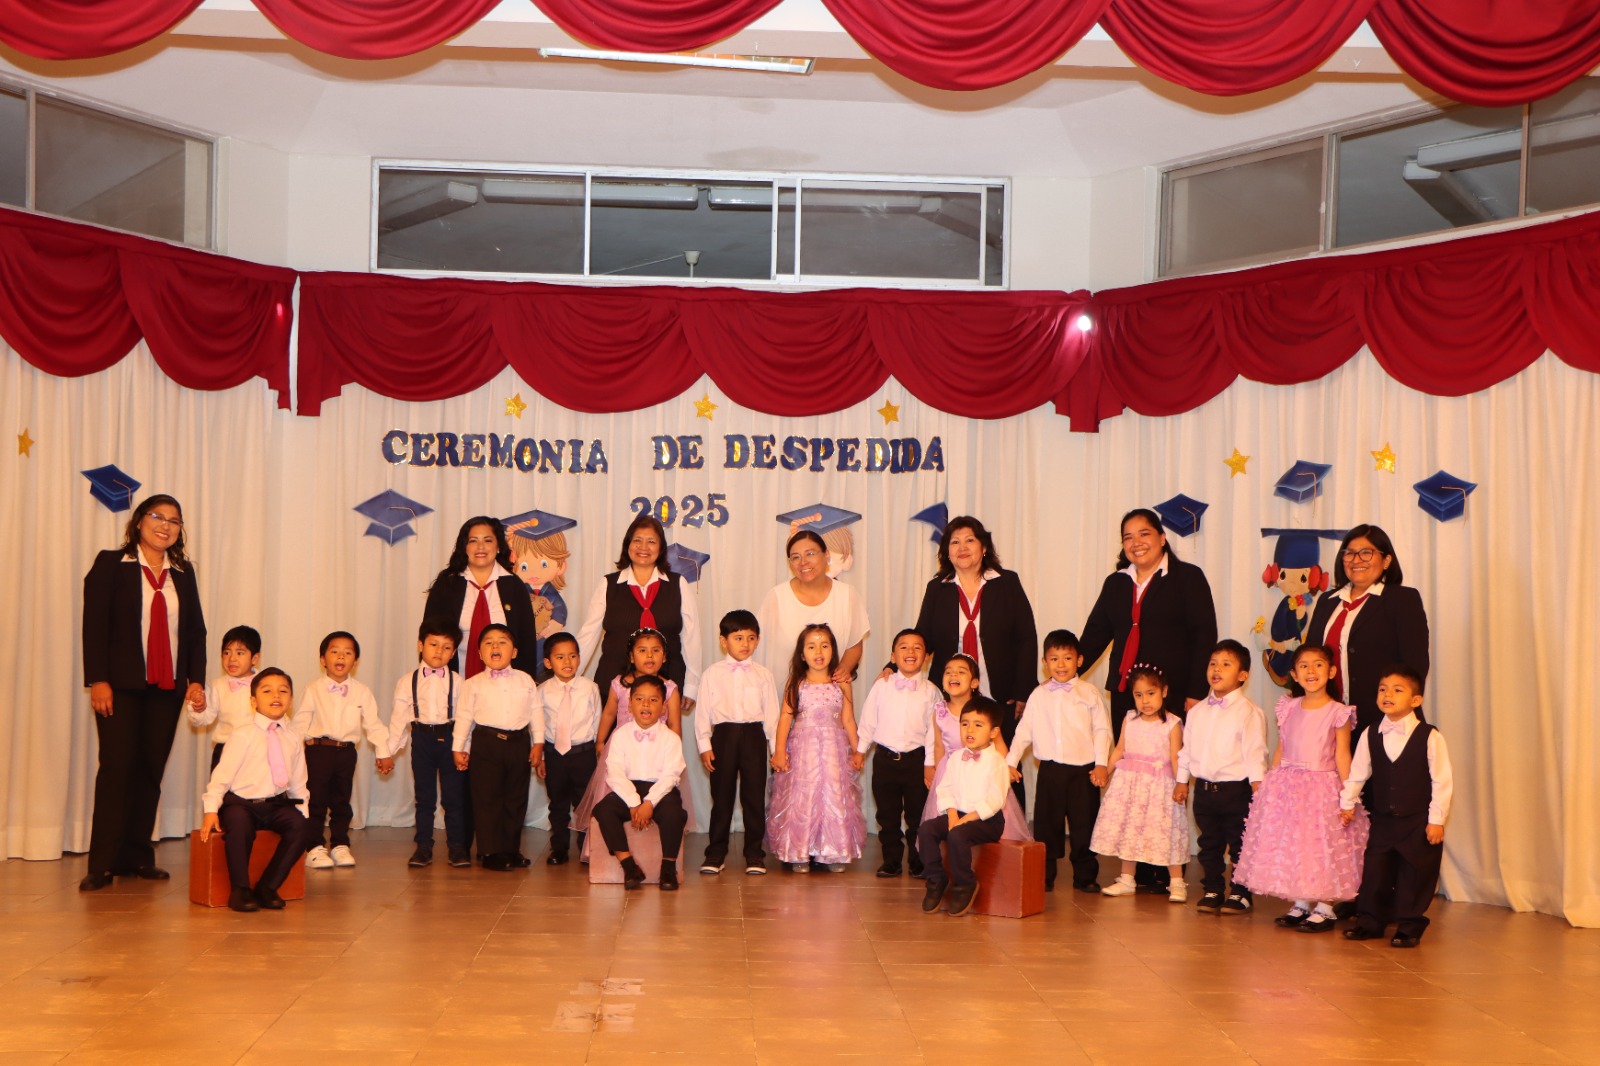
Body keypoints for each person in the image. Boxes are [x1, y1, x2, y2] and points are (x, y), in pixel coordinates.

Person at [1079, 507, 1216, 893]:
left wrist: (1195, 692)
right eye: (1128, 537)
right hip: (1127, 694)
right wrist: (1066, 671)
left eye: (1144, 534)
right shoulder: (1116, 583)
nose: (1136, 543)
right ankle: (1134, 866)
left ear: (1161, 538)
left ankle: (1166, 866)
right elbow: (1095, 634)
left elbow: (1204, 634)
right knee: (1131, 781)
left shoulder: (1187, 578)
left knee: (1167, 779)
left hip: (1172, 696)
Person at [80, 493, 208, 891]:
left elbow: (195, 631)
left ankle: (137, 857)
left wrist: (196, 679)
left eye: (174, 520)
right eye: (157, 516)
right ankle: (102, 863)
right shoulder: (111, 564)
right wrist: (98, 679)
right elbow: (94, 625)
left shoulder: (182, 572)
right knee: (116, 769)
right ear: (139, 521)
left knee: (150, 771)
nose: (165, 525)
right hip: (120, 686)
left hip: (166, 687)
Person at [1234, 643, 1371, 932]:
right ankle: (1301, 902)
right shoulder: (1288, 707)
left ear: (1331, 671)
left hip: (1322, 787)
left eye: (1318, 665)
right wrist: (1271, 783)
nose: (1311, 671)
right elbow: (1281, 747)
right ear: (1294, 675)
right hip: (1288, 785)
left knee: (1322, 845)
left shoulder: (1338, 712)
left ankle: (1325, 906)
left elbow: (1342, 754)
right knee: (1297, 844)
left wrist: (1348, 795)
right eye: (1304, 666)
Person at [1341, 666, 1453, 948]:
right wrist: (1347, 802)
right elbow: (1358, 772)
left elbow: (1442, 780)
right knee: (1375, 871)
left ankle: (1409, 925)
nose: (1387, 694)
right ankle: (1370, 921)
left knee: (1414, 873)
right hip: (1383, 820)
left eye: (1397, 690)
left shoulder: (1430, 736)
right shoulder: (1370, 733)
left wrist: (1436, 820)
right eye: (1382, 689)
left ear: (1416, 700)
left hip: (1418, 820)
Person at [912, 516, 1038, 752]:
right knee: (952, 761)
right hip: (952, 696)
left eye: (969, 540)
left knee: (1003, 763)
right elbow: (922, 637)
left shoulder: (1007, 582)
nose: (962, 547)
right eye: (955, 542)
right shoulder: (937, 588)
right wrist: (893, 665)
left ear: (984, 547)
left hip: (1001, 693)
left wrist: (1023, 689)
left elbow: (1026, 638)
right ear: (947, 552)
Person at [199, 668, 314, 913]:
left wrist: (303, 811)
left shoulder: (293, 737)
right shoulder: (242, 734)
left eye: (283, 691)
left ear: (291, 699)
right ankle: (240, 890)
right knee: (239, 824)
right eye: (267, 691)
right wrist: (210, 810)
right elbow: (221, 777)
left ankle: (267, 887)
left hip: (275, 804)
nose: (276, 695)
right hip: (241, 804)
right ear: (253, 701)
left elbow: (298, 780)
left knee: (301, 827)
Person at [1304, 524, 1431, 741]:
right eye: (1350, 553)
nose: (1356, 560)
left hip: (1384, 721)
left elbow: (1415, 665)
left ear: (1386, 560)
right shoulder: (1327, 601)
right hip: (1329, 722)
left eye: (1366, 553)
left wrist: (1396, 709)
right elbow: (1310, 657)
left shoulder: (1402, 599)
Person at [1007, 630, 1110, 893]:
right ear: (1045, 662)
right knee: (1046, 824)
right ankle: (1045, 875)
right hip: (1050, 771)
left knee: (1084, 823)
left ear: (1079, 660)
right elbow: (1024, 730)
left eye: (1067, 658)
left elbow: (1102, 730)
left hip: (1083, 771)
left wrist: (1101, 763)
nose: (1061, 665)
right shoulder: (1039, 695)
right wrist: (1010, 762)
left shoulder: (1090, 693)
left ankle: (1085, 875)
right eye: (1054, 659)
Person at [1174, 642, 1268, 915]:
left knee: (1240, 845)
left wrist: (1258, 787)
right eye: (1213, 663)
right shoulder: (1197, 711)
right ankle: (1213, 889)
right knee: (1209, 844)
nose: (1217, 669)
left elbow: (1255, 753)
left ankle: (1241, 892)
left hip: (1236, 791)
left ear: (1242, 675)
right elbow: (1187, 750)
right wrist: (1182, 780)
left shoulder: (1249, 712)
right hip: (1204, 790)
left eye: (1226, 664)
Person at [572, 627, 685, 847]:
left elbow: (674, 724)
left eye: (655, 650)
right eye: (642, 651)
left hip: (656, 749)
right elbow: (609, 713)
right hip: (622, 748)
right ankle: (602, 849)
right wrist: (600, 741)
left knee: (660, 797)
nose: (649, 655)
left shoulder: (670, 688)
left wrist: (674, 750)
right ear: (632, 657)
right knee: (612, 792)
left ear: (664, 656)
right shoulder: (620, 683)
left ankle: (649, 848)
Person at [766, 624, 866, 872]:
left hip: (834, 750)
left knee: (833, 795)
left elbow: (848, 719)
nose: (818, 652)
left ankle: (832, 851)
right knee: (805, 795)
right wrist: (779, 751)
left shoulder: (842, 684)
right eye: (811, 647)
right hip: (804, 751)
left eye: (824, 646)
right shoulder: (797, 683)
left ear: (833, 650)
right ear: (802, 654)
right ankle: (799, 851)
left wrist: (858, 750)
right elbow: (785, 718)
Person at [575, 513, 702, 705]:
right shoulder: (608, 585)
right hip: (614, 688)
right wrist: (569, 678)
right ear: (627, 545)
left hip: (664, 688)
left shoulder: (678, 584)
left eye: (651, 541)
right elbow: (588, 636)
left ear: (661, 548)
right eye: (637, 540)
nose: (643, 547)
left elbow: (691, 638)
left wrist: (692, 686)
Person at [293, 631, 393, 869]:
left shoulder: (362, 691)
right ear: (322, 659)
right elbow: (299, 724)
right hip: (317, 751)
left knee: (341, 800)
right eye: (334, 651)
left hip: (346, 752)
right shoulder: (313, 689)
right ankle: (314, 846)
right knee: (315, 799)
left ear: (355, 661)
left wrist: (383, 752)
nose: (341, 656)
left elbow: (373, 723)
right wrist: (290, 756)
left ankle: (340, 843)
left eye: (348, 653)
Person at [452, 624, 545, 871]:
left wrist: (538, 743)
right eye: (488, 642)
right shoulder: (473, 684)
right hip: (486, 744)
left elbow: (536, 712)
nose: (495, 646)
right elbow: (464, 717)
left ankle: (510, 849)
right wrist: (459, 748)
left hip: (518, 744)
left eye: (502, 642)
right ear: (480, 654)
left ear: (514, 652)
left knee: (515, 799)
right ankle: (490, 851)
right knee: (487, 799)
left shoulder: (526, 680)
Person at [1093, 663, 1190, 902]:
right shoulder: (1130, 719)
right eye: (1138, 695)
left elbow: (1176, 757)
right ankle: (1127, 878)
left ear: (1163, 692)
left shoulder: (1172, 723)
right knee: (1130, 829)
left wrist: (1181, 783)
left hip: (1159, 787)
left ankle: (1176, 882)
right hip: (1130, 786)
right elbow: (1119, 749)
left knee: (1165, 831)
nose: (1145, 700)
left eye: (1150, 693)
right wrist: (1105, 770)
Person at [695, 610, 780, 876]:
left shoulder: (763, 675)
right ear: (724, 641)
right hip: (723, 737)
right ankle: (716, 852)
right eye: (738, 638)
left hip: (754, 737)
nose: (745, 644)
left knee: (754, 797)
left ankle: (754, 853)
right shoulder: (712, 674)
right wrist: (704, 745)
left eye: (751, 638)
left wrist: (775, 750)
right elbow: (702, 713)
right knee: (722, 797)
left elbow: (772, 716)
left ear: (758, 640)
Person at [854, 629, 939, 879]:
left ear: (927, 657)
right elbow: (868, 720)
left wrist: (930, 764)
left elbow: (933, 732)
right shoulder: (882, 686)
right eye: (903, 647)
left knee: (917, 815)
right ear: (893, 656)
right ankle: (891, 860)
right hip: (885, 760)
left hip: (916, 761)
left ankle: (917, 860)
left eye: (917, 647)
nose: (910, 652)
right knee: (887, 815)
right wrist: (860, 751)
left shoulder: (932, 691)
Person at [387, 619, 472, 869]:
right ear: (420, 645)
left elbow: (466, 719)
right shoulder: (407, 681)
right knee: (424, 798)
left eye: (446, 647)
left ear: (453, 652)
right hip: (421, 740)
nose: (439, 651)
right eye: (433, 644)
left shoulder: (459, 681)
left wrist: (463, 749)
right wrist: (387, 752)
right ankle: (423, 847)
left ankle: (457, 847)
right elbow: (398, 720)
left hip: (451, 741)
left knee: (453, 798)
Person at [919, 656, 1031, 844]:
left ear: (974, 683)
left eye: (961, 672)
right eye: (948, 672)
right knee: (947, 818)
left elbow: (999, 743)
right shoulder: (939, 711)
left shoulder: (984, 710)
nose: (953, 675)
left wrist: (1007, 765)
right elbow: (938, 745)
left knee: (987, 811)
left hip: (983, 768)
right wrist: (936, 770)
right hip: (952, 769)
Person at [593, 675, 689, 891]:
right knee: (603, 810)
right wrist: (634, 802)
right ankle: (629, 866)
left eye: (653, 700)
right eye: (639, 699)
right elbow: (614, 772)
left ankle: (668, 868)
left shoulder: (671, 738)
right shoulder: (620, 736)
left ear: (664, 707)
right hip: (628, 789)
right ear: (629, 705)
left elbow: (671, 775)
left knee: (674, 814)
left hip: (661, 791)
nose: (646, 705)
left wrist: (649, 803)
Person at [918, 700, 1010, 917]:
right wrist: (951, 814)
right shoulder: (956, 758)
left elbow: (995, 799)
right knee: (927, 829)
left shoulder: (996, 761)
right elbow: (945, 788)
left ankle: (965, 883)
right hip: (957, 813)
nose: (970, 730)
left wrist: (966, 819)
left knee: (958, 835)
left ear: (993, 732)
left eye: (978, 725)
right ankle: (936, 879)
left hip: (986, 820)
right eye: (965, 724)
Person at [423, 517, 541, 679]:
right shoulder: (446, 585)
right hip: (454, 682)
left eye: (487, 540)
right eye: (473, 541)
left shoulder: (514, 586)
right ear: (464, 547)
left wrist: (525, 683)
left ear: (498, 546)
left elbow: (527, 643)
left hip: (505, 685)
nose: (480, 546)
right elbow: (429, 638)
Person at [757, 530, 870, 683]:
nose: (803, 562)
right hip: (782, 690)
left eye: (810, 554)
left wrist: (843, 669)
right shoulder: (776, 597)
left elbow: (854, 644)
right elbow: (758, 648)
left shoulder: (847, 595)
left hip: (828, 692)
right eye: (795, 557)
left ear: (826, 555)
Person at [538, 631, 602, 865]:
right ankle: (559, 848)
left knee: (585, 803)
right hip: (554, 754)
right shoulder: (542, 691)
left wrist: (597, 753)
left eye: (573, 656)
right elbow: (539, 726)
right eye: (560, 657)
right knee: (557, 803)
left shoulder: (590, 688)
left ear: (579, 658)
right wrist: (541, 757)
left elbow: (597, 721)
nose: (567, 662)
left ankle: (586, 848)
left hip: (583, 754)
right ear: (548, 662)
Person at [187, 625, 261, 770]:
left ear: (254, 658)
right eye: (226, 653)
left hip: (258, 750)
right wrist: (198, 706)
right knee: (221, 785)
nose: (232, 659)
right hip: (226, 749)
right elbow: (204, 719)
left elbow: (278, 716)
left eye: (239, 653)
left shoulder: (266, 683)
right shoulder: (217, 686)